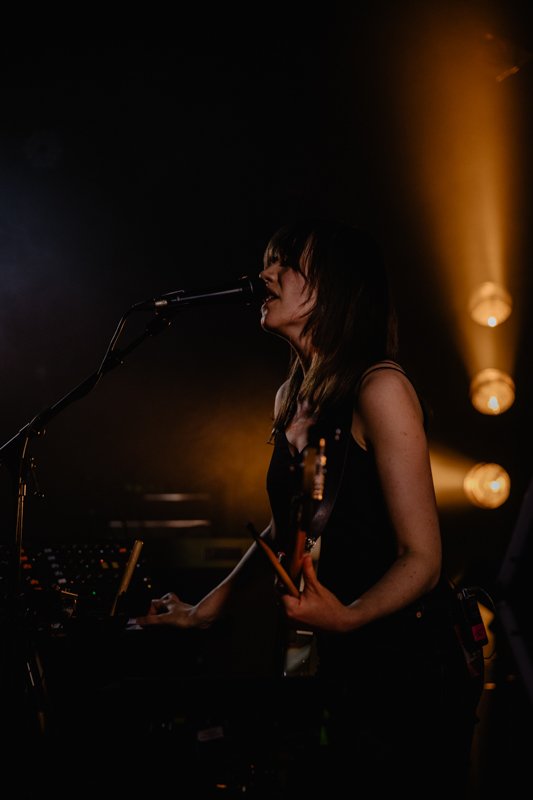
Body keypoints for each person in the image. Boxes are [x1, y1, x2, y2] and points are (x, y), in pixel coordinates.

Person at [136, 217, 484, 798]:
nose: (265, 275)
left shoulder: (380, 388)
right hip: (343, 661)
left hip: (409, 668)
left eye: (286, 265)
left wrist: (349, 617)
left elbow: (422, 558)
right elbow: (289, 523)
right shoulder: (290, 396)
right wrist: (206, 607)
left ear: (334, 289)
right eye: (267, 262)